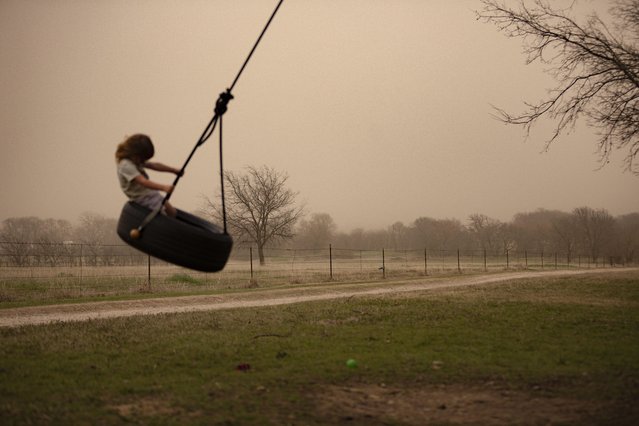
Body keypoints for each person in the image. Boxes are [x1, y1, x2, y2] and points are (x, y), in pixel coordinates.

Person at [115, 134, 182, 217]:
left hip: (150, 193)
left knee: (172, 212)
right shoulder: (126, 165)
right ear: (134, 153)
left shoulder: (136, 159)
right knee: (164, 216)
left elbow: (154, 165)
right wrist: (164, 187)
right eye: (143, 158)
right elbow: (142, 181)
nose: (143, 161)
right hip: (141, 198)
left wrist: (174, 170)